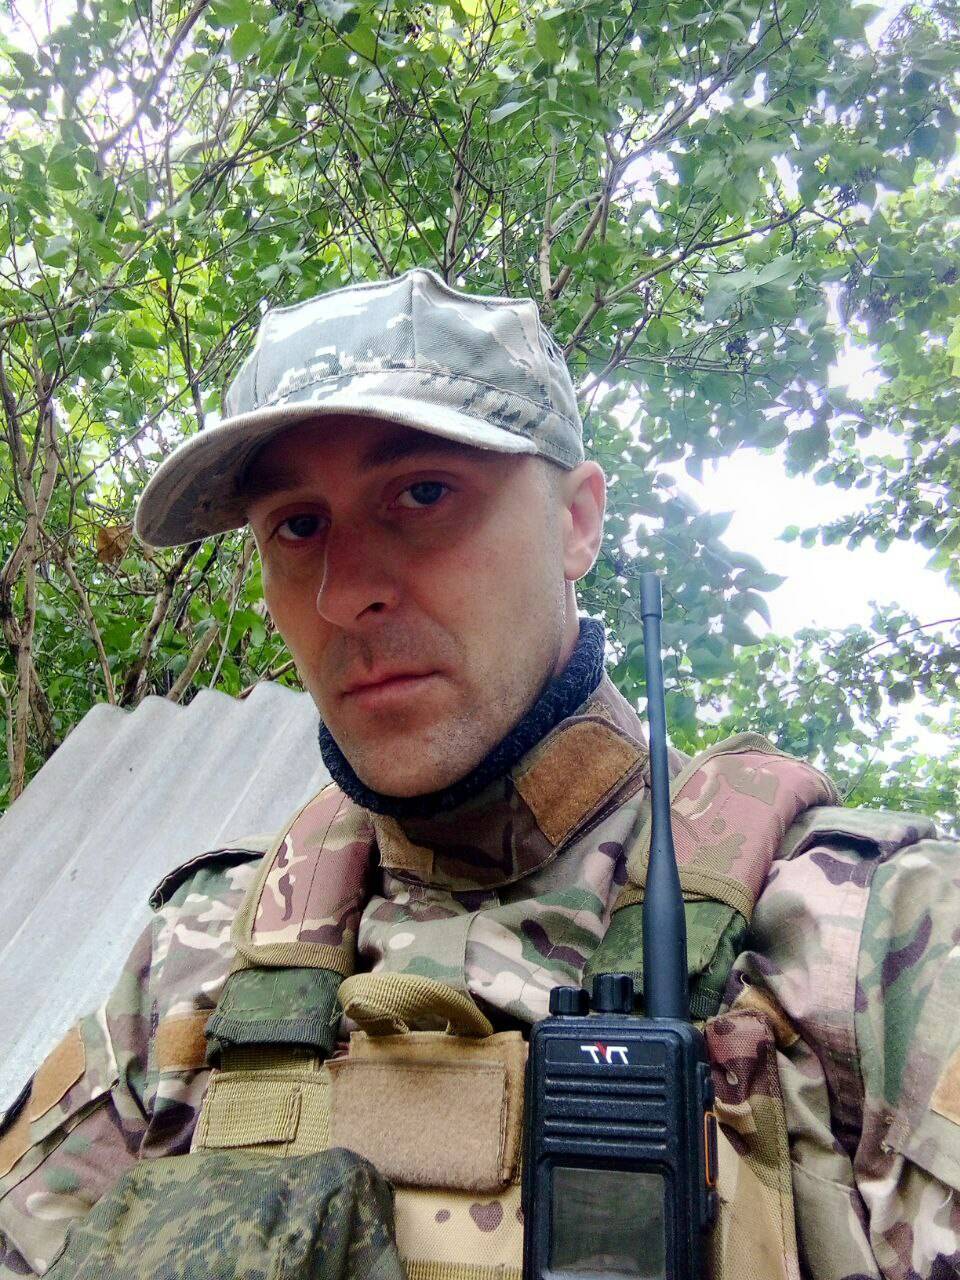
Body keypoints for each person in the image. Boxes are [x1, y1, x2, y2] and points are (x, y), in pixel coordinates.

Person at [0, 267, 957, 1279]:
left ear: (576, 522)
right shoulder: (196, 955)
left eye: (423, 493)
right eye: (298, 525)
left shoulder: (872, 942)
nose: (346, 593)